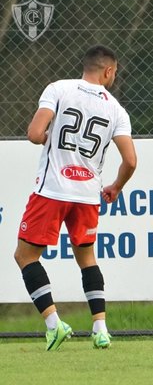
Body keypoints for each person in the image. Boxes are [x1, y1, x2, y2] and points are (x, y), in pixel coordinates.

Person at [13, 45, 137, 350]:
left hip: (52, 190)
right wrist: (116, 186)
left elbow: (33, 133)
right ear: (108, 71)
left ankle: (54, 324)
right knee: (87, 259)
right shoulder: (116, 110)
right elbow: (131, 161)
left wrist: (47, 138)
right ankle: (101, 329)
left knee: (25, 256)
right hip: (87, 195)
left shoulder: (58, 89)